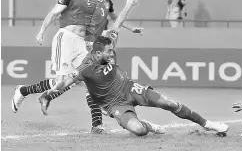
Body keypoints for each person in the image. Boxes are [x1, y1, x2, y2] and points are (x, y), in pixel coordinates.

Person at [11, 0, 140, 134]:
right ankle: (23, 90)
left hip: (82, 43)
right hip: (66, 39)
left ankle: (97, 125)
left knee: (88, 79)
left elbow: (110, 19)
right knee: (61, 82)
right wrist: (42, 31)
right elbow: (53, 12)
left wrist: (120, 29)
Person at [39, 34, 229, 137]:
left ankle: (208, 124)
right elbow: (65, 82)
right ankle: (149, 126)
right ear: (97, 54)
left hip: (129, 88)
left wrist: (129, 6)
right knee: (138, 130)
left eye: (113, 50)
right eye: (109, 52)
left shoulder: (105, 49)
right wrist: (48, 95)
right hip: (115, 105)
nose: (112, 55)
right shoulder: (85, 68)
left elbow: (116, 28)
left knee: (169, 104)